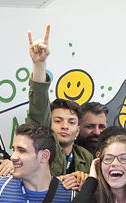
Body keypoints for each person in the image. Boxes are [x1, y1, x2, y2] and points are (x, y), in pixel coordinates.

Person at [25, 24, 94, 187]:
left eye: (71, 122)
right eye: (58, 121)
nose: (65, 126)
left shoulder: (86, 157)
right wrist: (39, 64)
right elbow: (39, 107)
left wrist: (86, 180)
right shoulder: (42, 152)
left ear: (78, 130)